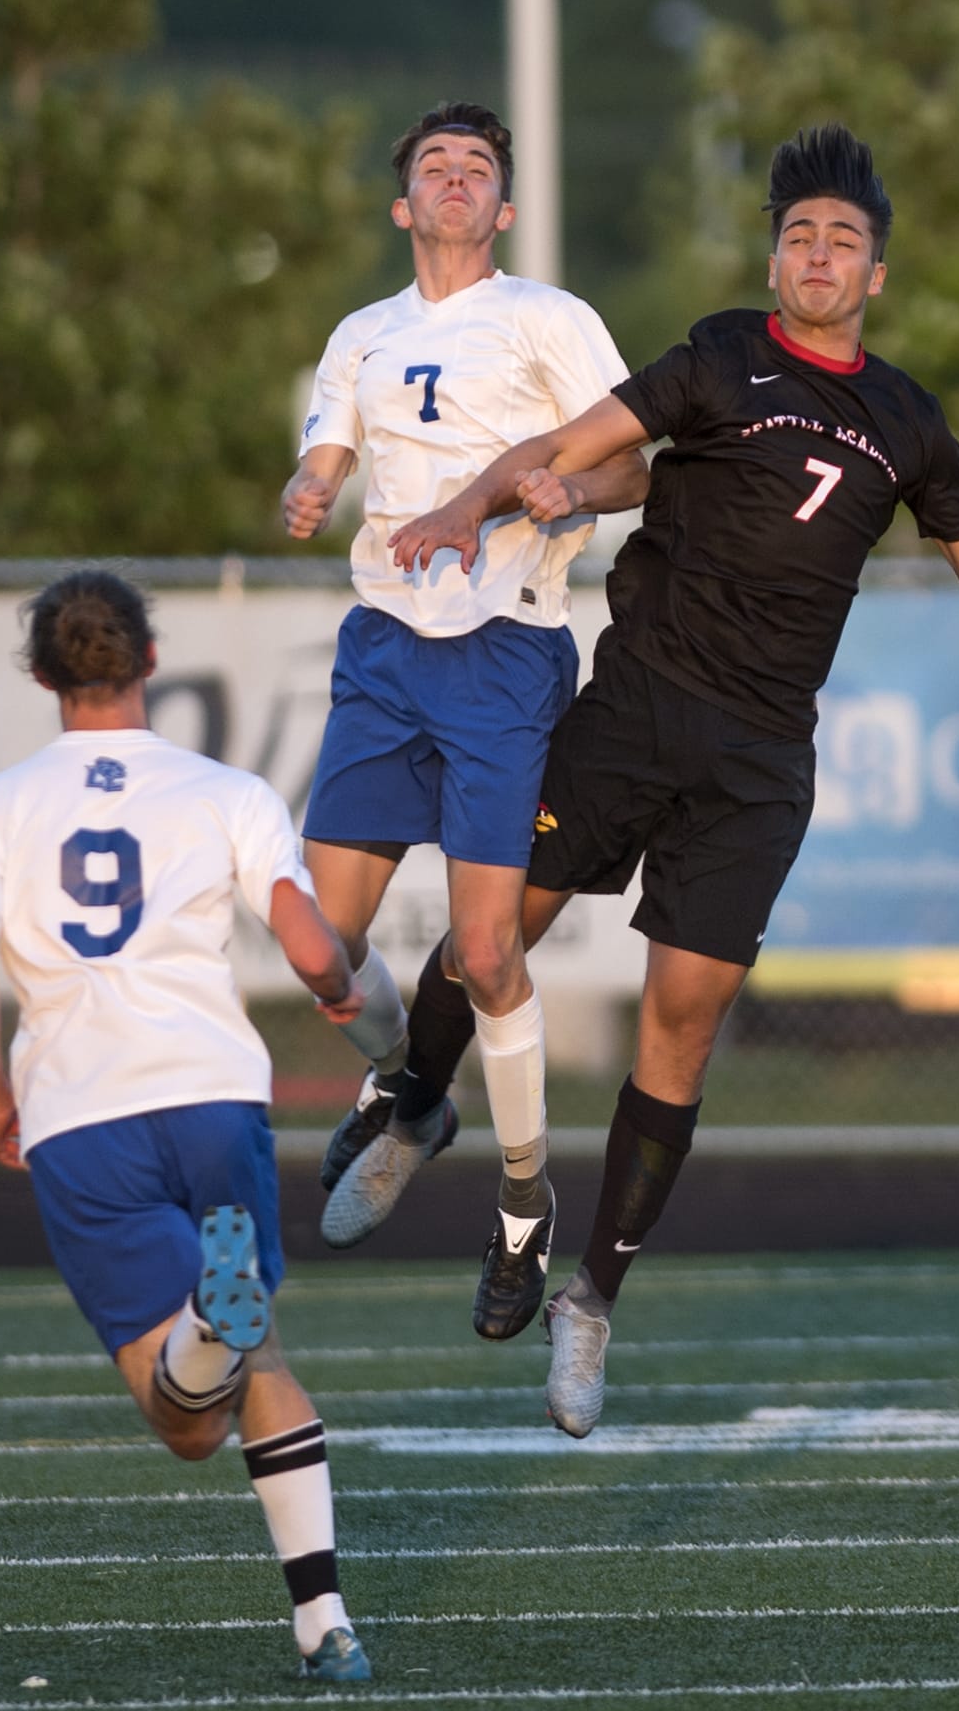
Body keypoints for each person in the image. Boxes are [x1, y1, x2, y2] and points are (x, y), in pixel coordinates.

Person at [384, 123, 959, 1434]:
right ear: (774, 258)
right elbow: (572, 450)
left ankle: (590, 1300)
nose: (819, 253)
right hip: (631, 715)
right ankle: (413, 1102)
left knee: (681, 1025)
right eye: (801, 233)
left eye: (844, 241)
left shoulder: (910, 422)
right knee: (486, 944)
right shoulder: (722, 353)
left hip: (758, 762)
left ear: (876, 279)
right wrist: (477, 505)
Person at [0, 569, 375, 1683]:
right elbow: (311, 939)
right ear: (149, 658)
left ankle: (200, 1322)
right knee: (256, 1344)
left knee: (186, 1422)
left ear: (42, 674)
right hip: (213, 1091)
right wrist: (336, 992)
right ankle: (323, 1618)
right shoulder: (224, 787)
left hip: (83, 1108)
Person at [280, 100, 652, 1341]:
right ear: (404, 206)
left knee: (489, 954)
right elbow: (328, 454)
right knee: (320, 944)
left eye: (475, 168)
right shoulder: (363, 333)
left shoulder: (546, 316)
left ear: (501, 209)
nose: (453, 179)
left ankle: (523, 1201)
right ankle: (409, 1095)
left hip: (504, 650)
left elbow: (635, 465)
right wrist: (307, 483)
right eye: (433, 165)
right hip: (384, 648)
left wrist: (569, 485)